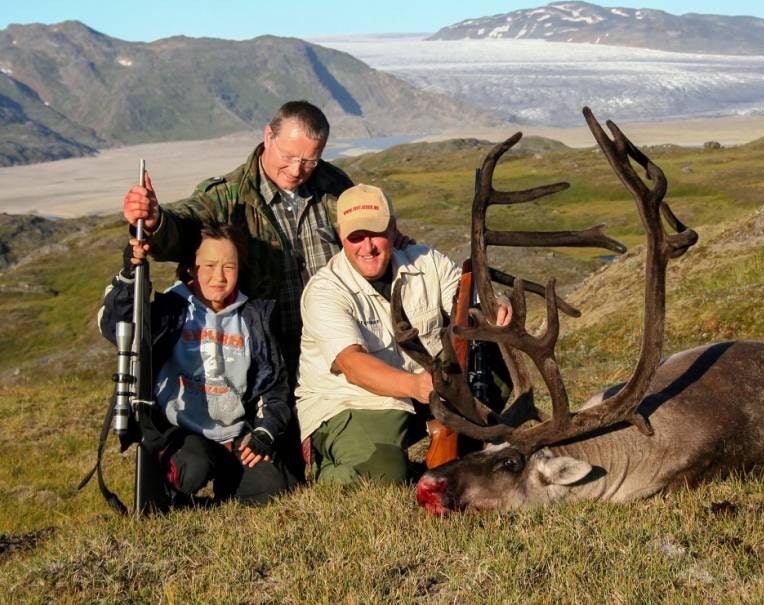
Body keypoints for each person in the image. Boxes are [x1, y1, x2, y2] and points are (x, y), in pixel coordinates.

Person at [122, 100, 354, 384]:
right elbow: (183, 229)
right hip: (262, 367)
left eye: (309, 161)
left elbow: (365, 239)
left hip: (337, 357)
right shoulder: (228, 196)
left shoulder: (335, 185)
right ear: (268, 136)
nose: (296, 170)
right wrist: (156, 221)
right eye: (289, 155)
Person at [296, 184, 511, 486]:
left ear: (393, 229)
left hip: (423, 391)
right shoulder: (325, 290)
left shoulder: (427, 262)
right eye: (356, 237)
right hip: (354, 400)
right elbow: (352, 365)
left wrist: (496, 304)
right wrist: (416, 385)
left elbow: (470, 300)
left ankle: (467, 441)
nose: (367, 247)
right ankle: (328, 463)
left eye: (376, 233)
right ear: (340, 236)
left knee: (490, 358)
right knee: (383, 476)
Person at [98, 224, 292, 505]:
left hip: (234, 434)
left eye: (229, 266)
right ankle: (172, 486)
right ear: (191, 267)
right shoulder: (172, 309)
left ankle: (221, 491)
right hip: (180, 432)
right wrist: (130, 275)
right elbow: (117, 326)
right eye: (209, 265)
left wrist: (264, 431)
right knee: (193, 468)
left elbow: (273, 384)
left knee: (273, 488)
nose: (219, 277)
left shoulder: (254, 317)